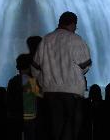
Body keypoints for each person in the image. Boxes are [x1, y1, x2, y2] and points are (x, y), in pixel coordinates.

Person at [32, 11, 91, 140]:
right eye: (75, 26)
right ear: (73, 24)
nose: (76, 29)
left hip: (50, 90)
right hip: (72, 90)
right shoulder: (75, 39)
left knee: (55, 124)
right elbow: (85, 65)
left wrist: (42, 81)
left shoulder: (46, 39)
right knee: (70, 122)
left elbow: (35, 67)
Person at [7, 53, 42, 140]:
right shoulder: (31, 81)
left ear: (17, 67)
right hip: (29, 118)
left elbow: (8, 99)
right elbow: (38, 98)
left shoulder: (12, 81)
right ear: (30, 67)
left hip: (14, 116)